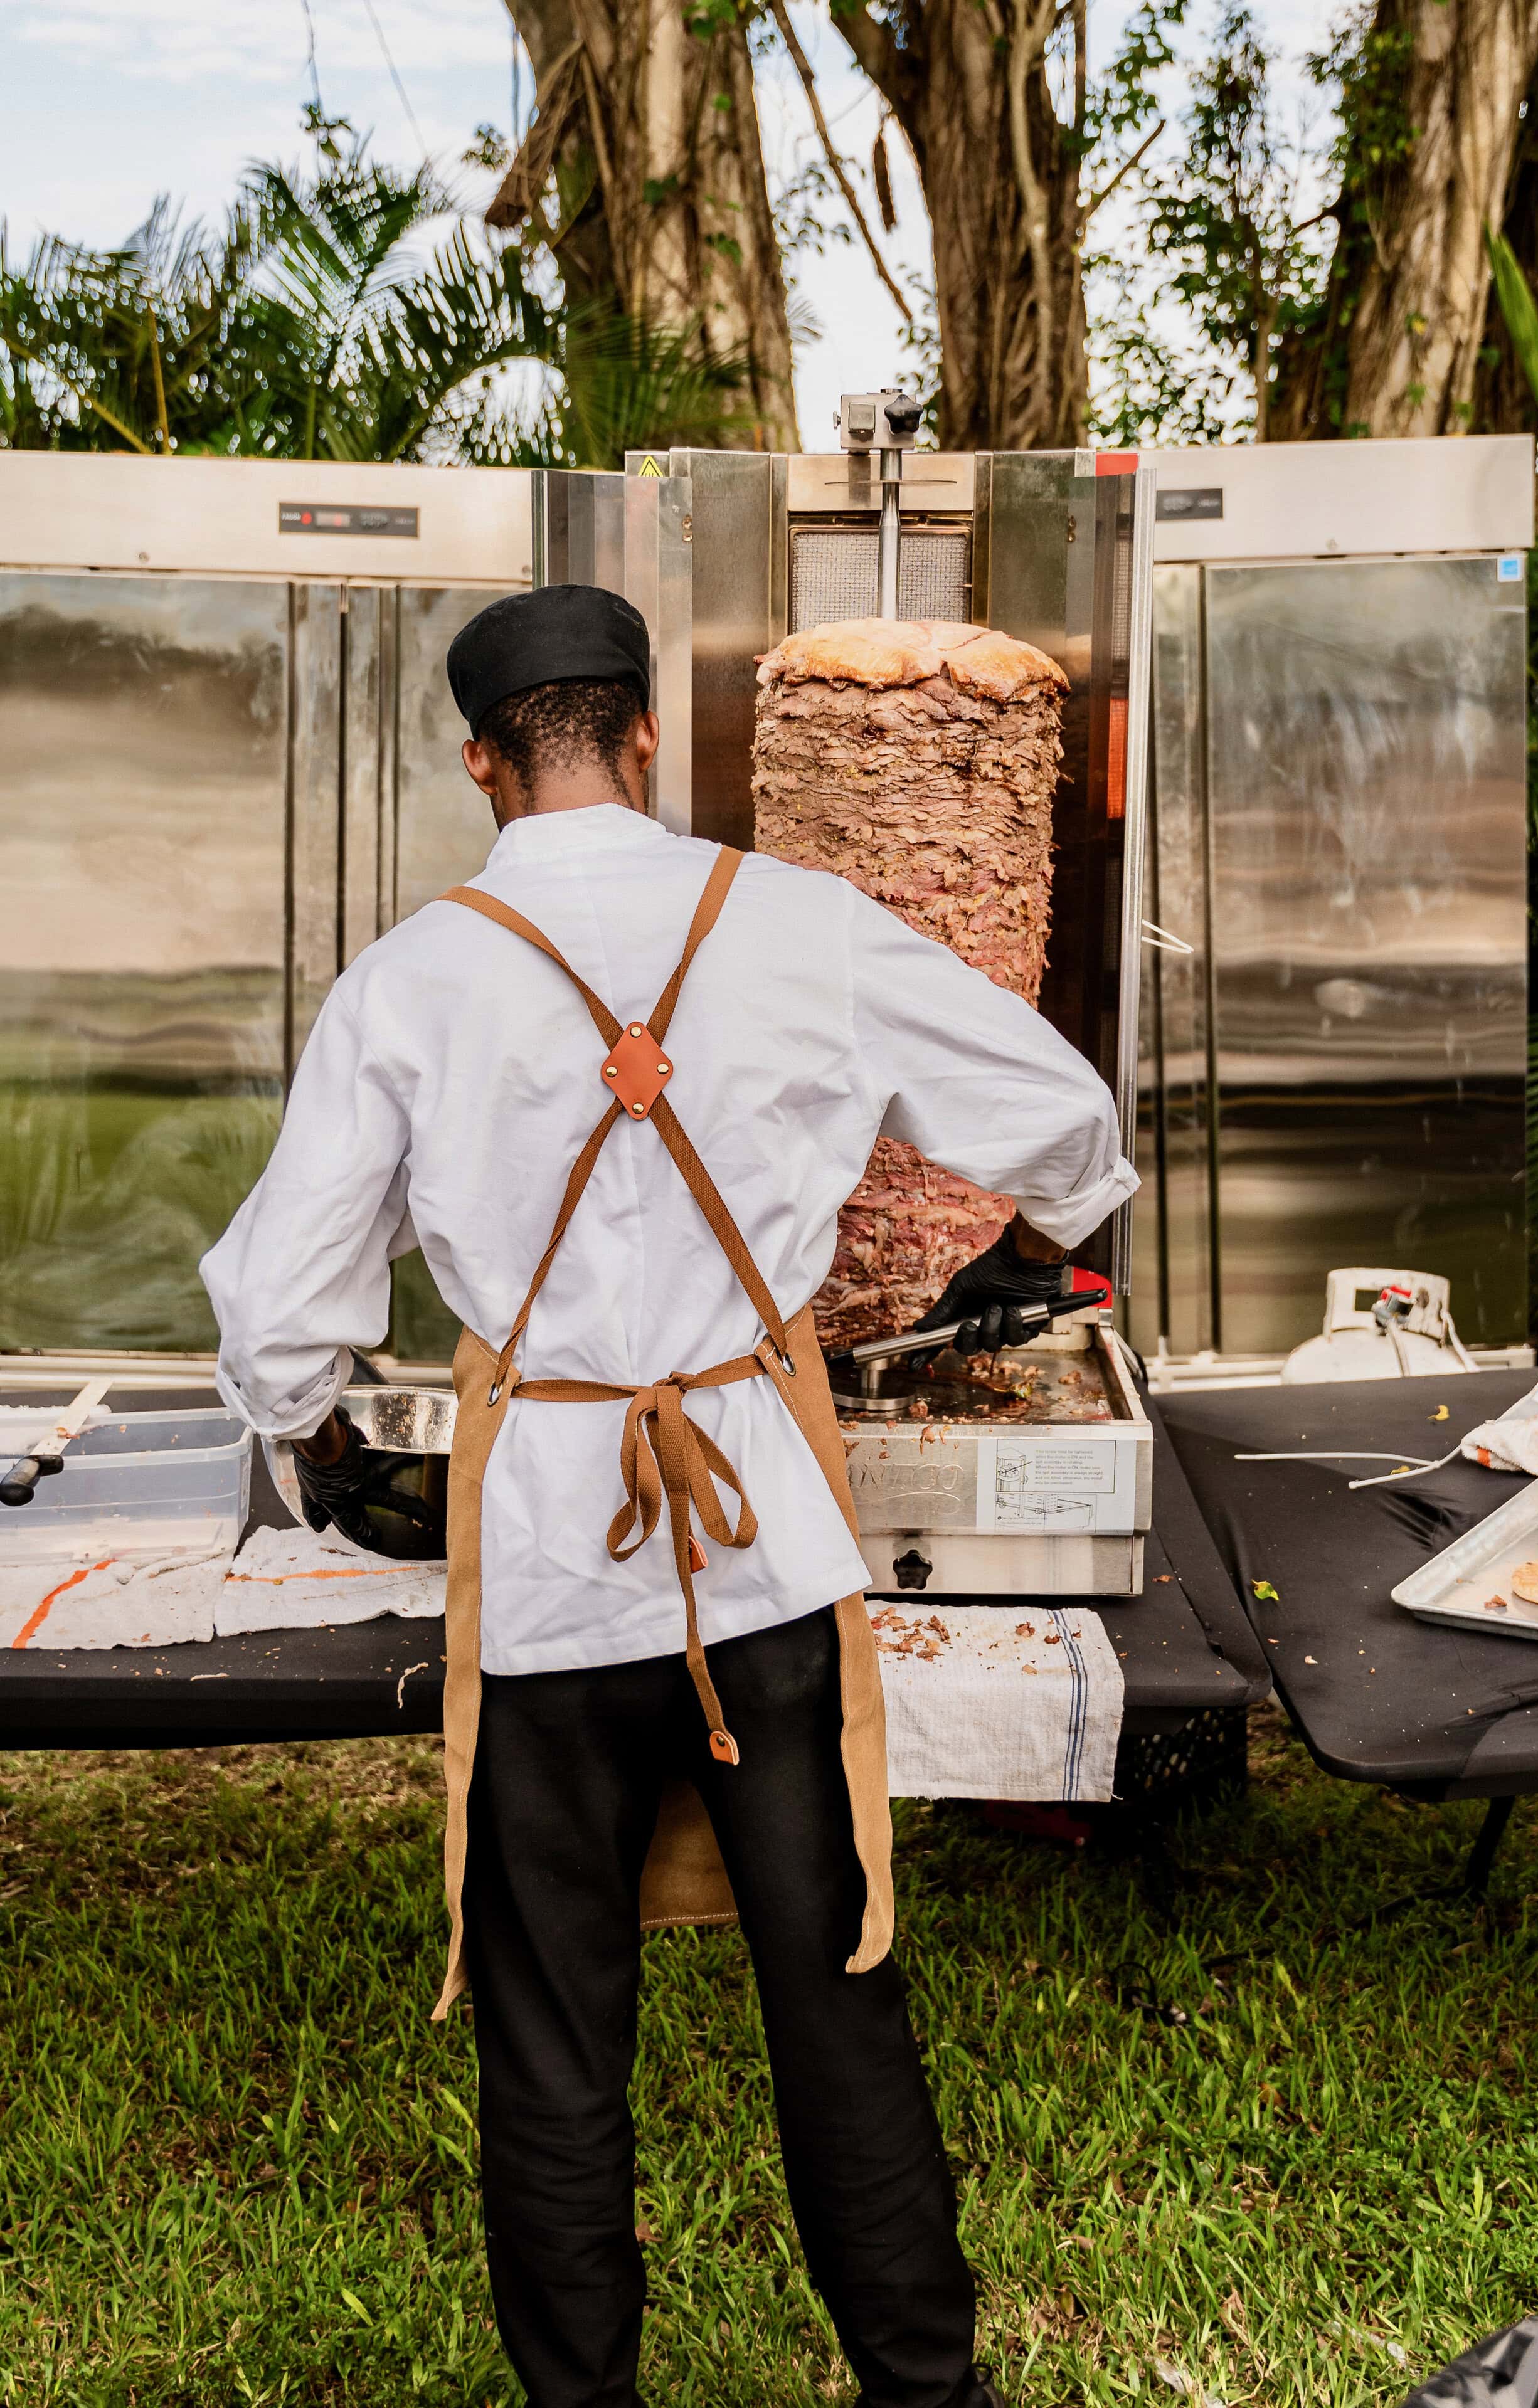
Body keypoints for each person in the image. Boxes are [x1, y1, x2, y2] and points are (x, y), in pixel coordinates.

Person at [201, 584, 1137, 2408]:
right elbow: (1066, 1128)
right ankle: (925, 2392)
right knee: (841, 1992)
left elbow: (278, 1312)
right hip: (766, 1550)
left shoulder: (413, 975)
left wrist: (310, 1435)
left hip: (549, 1568)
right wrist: (983, 1253)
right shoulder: (801, 926)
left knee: (556, 2036)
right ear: (647, 737)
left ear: (480, 763)